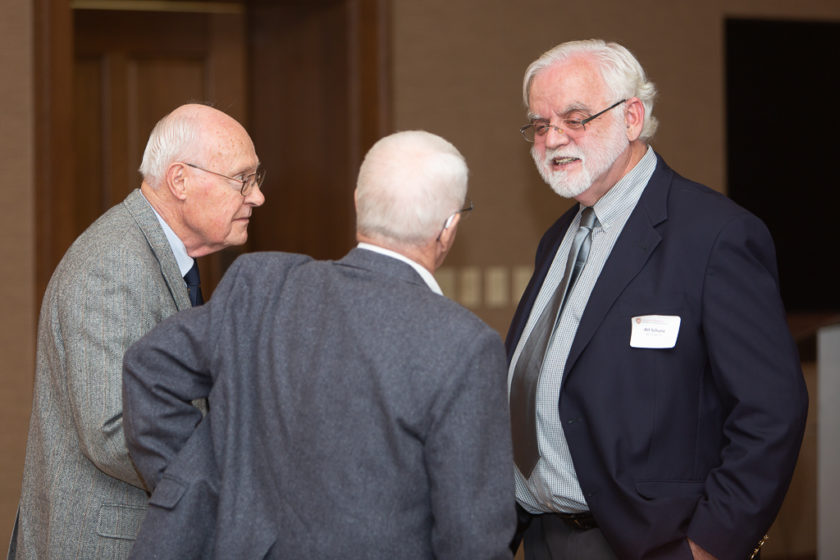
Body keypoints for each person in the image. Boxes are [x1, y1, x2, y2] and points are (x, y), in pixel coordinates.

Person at [120, 130, 516, 559]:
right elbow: (472, 539)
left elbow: (149, 367)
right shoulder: (464, 344)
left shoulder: (263, 288)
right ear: (449, 226)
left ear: (358, 203)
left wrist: (211, 483)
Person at [506, 39, 808, 560]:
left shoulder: (715, 235)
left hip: (650, 544)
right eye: (539, 124)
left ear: (631, 117)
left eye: (575, 118)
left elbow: (771, 413)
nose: (553, 138)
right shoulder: (557, 239)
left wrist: (708, 547)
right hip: (544, 538)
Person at [9, 103, 266, 559]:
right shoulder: (114, 264)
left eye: (256, 179)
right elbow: (115, 431)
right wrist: (238, 472)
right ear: (180, 180)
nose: (257, 197)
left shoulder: (151, 255)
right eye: (242, 179)